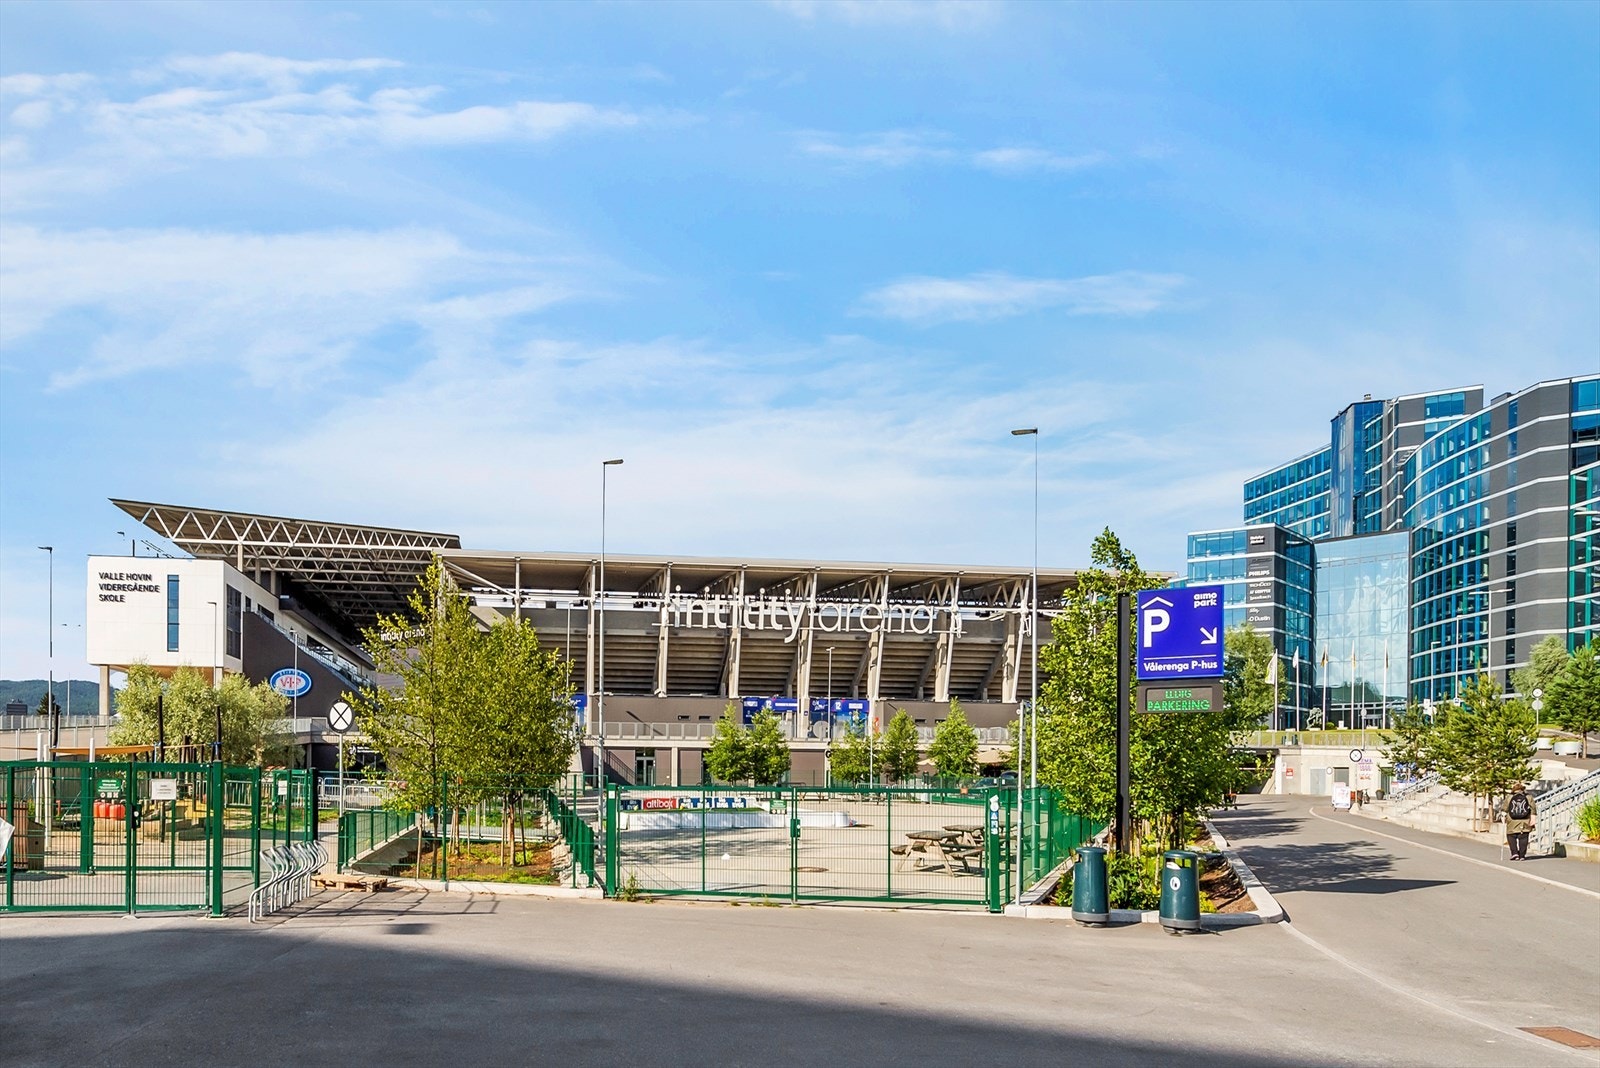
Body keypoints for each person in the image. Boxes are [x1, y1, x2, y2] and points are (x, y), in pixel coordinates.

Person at [1503, 783, 1536, 861]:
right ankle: (1522, 855)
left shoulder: (1509, 797)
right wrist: (1533, 819)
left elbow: (1505, 809)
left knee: (1511, 836)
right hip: (1525, 820)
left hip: (1512, 820)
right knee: (1523, 837)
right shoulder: (1528, 797)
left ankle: (1514, 853)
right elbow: (1533, 809)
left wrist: (1503, 817)